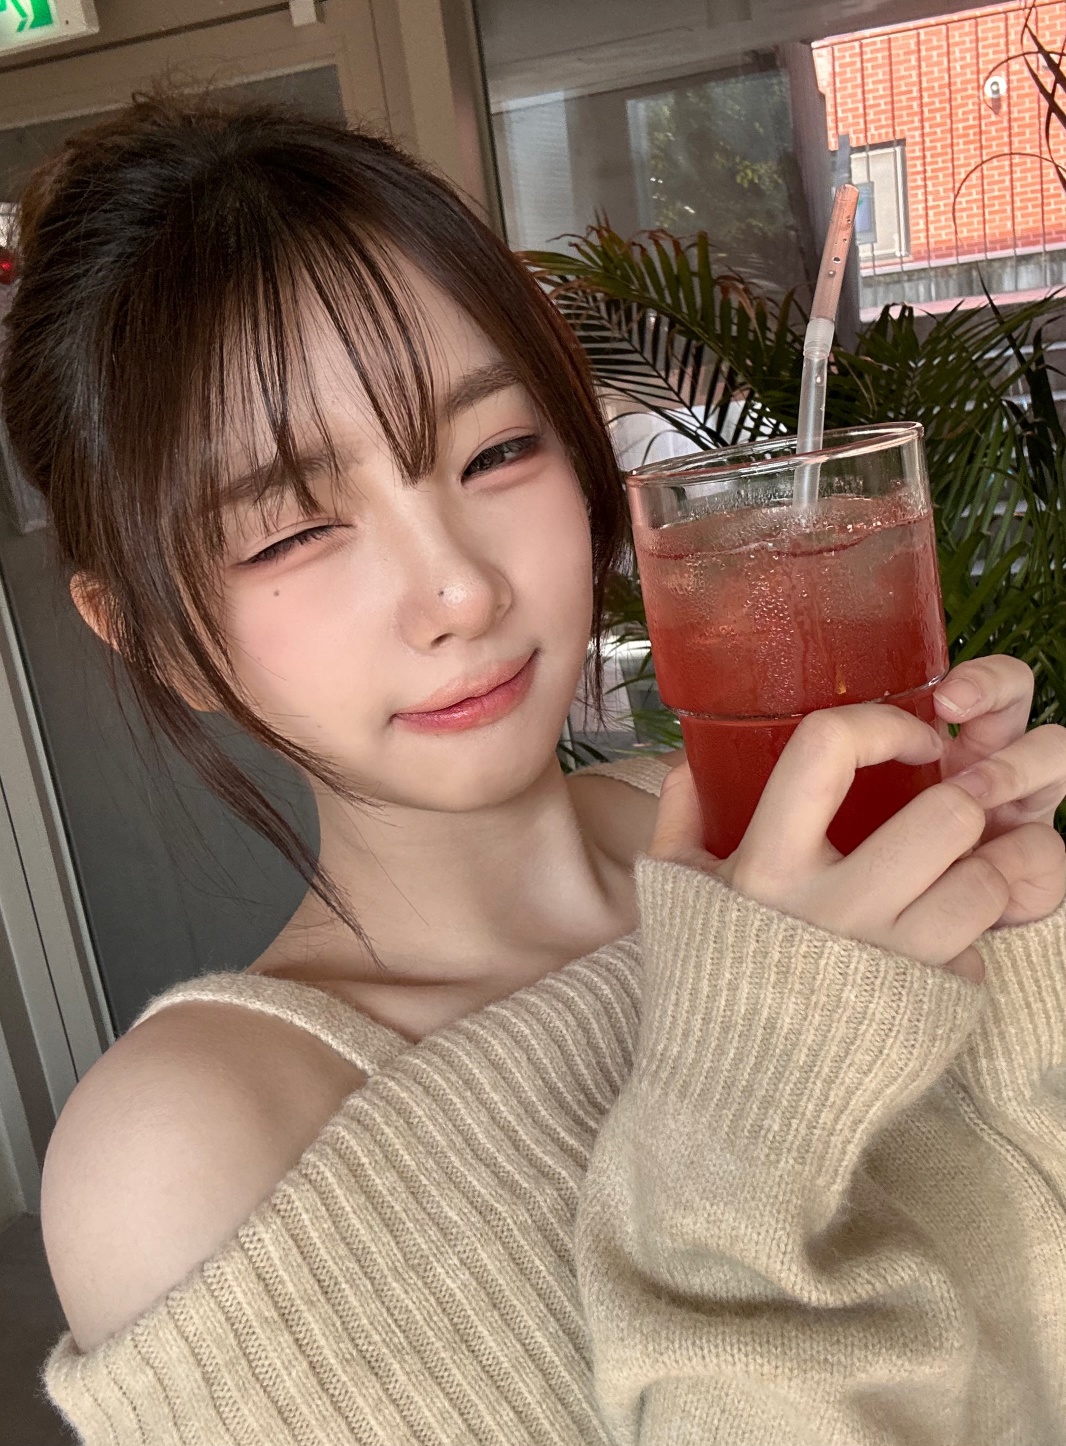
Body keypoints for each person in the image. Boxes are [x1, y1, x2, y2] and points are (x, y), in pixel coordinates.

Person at [2, 93, 1065, 1446]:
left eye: (496, 451)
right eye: (289, 531)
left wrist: (1014, 951)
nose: (457, 588)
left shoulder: (772, 837)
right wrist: (741, 1123)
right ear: (152, 637)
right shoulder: (189, 1154)